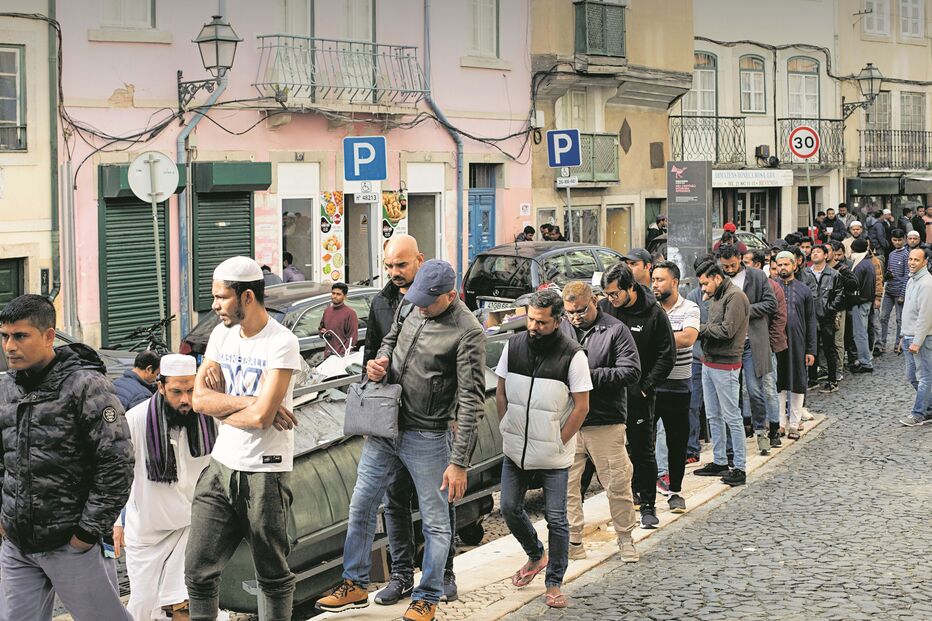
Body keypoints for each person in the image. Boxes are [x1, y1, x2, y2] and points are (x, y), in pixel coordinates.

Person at [317, 260, 485, 621]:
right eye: (417, 298)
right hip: (386, 425)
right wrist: (379, 361)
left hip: (428, 434)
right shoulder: (411, 303)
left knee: (435, 520)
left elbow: (472, 401)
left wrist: (459, 462)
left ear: (450, 295)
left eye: (428, 301)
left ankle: (428, 597)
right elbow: (390, 339)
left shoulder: (468, 331)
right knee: (361, 504)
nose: (420, 307)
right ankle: (355, 583)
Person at [0, 294, 134, 621]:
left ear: (49, 336)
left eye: (20, 336)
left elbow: (117, 463)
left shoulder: (86, 386)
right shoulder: (6, 388)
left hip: (73, 544)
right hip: (18, 544)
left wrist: (86, 533)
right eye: (5, 336)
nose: (9, 347)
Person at [185, 256, 303, 621]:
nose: (214, 305)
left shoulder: (281, 343)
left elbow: (263, 419)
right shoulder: (221, 335)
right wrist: (252, 401)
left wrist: (234, 406)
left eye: (221, 297)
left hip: (265, 473)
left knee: (272, 575)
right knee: (197, 570)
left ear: (247, 297)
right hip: (220, 467)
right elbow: (198, 400)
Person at [495, 289, 590, 610]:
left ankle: (554, 583)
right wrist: (506, 424)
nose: (534, 326)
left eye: (541, 322)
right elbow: (501, 390)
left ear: (558, 321)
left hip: (553, 453)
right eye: (531, 320)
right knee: (508, 507)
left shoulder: (573, 355)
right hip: (516, 447)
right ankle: (537, 555)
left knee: (557, 519)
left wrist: (559, 439)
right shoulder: (514, 345)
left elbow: (582, 406)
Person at [115, 354, 215, 621]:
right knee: (143, 607)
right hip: (147, 532)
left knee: (184, 603)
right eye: (177, 392)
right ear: (160, 387)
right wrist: (115, 521)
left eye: (191, 390)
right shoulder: (136, 419)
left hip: (191, 526)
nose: (185, 400)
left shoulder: (208, 417)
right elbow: (115, 472)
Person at [558, 282, 640, 562]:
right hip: (569, 419)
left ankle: (626, 538)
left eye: (581, 310)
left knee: (617, 483)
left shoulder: (615, 330)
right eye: (570, 312)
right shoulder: (561, 328)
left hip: (605, 419)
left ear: (594, 300)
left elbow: (631, 371)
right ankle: (573, 541)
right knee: (567, 485)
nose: (575, 317)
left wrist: (587, 376)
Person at [599, 263, 675, 528]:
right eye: (607, 294)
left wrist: (646, 386)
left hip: (639, 395)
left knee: (643, 451)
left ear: (630, 287)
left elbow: (667, 355)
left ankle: (648, 506)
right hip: (608, 394)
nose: (611, 299)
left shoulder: (654, 313)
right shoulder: (604, 308)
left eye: (615, 294)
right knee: (607, 454)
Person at [692, 260, 750, 487]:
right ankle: (719, 461)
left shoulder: (735, 296)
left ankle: (740, 467)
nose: (703, 289)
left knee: (732, 417)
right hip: (709, 361)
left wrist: (699, 329)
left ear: (717, 277)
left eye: (705, 283)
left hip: (726, 364)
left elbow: (727, 330)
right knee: (713, 415)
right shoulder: (717, 295)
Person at [717, 245, 776, 455]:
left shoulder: (757, 276)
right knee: (729, 394)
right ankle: (732, 441)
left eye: (733, 265)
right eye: (725, 266)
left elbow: (771, 304)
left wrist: (744, 310)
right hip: (729, 344)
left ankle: (761, 432)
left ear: (740, 259)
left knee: (754, 390)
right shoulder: (719, 278)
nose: (729, 269)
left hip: (752, 341)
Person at [650, 261, 700, 512]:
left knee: (677, 443)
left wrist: (654, 338)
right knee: (643, 442)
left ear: (675, 282)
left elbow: (688, 338)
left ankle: (676, 491)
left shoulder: (690, 307)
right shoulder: (650, 308)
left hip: (678, 386)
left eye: (660, 280)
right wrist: (671, 337)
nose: (655, 284)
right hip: (651, 385)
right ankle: (645, 493)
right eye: (653, 279)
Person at [774, 251, 817, 440]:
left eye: (786, 264)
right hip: (776, 342)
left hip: (798, 343)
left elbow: (811, 321)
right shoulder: (771, 288)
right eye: (779, 265)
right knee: (778, 382)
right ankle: (780, 423)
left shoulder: (804, 290)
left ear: (794, 265)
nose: (783, 268)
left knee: (797, 381)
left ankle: (794, 424)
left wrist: (811, 350)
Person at [803, 244, 843, 393]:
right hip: (810, 316)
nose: (815, 254)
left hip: (826, 317)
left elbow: (839, 294)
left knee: (829, 349)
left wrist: (830, 309)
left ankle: (832, 380)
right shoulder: (805, 273)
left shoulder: (834, 274)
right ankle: (812, 379)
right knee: (811, 348)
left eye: (818, 252)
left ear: (826, 255)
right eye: (813, 252)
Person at [899, 247, 932, 426]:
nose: (912, 262)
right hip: (909, 336)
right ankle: (930, 408)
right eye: (910, 259)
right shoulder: (912, 280)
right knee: (912, 376)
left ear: (925, 262)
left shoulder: (927, 284)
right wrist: (903, 335)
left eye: (916, 260)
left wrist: (917, 341)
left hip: (922, 339)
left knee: (925, 377)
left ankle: (918, 414)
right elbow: (907, 311)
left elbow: (925, 316)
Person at [879, 230, 909, 355]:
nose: (897, 242)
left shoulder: (906, 255)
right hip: (889, 290)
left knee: (899, 320)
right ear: (891, 240)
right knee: (883, 317)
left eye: (899, 240)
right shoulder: (891, 254)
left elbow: (907, 276)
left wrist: (902, 294)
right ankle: (881, 343)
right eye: (895, 240)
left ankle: (899, 344)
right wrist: (887, 275)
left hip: (899, 292)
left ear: (904, 239)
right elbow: (889, 270)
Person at [849, 239, 875, 373]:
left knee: (859, 333)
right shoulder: (868, 262)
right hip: (866, 300)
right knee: (863, 331)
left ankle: (865, 363)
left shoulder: (859, 265)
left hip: (860, 302)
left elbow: (854, 284)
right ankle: (866, 359)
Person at [319, 282, 359, 358]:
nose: (335, 296)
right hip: (328, 356)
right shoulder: (327, 311)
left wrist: (342, 354)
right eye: (333, 293)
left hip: (341, 357)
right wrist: (323, 332)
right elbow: (321, 329)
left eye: (338, 294)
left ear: (345, 297)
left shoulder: (350, 313)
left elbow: (352, 338)